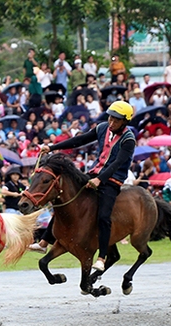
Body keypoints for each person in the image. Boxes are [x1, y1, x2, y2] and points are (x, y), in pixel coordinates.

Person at [37, 101, 137, 272]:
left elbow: (117, 163)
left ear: (125, 122)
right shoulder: (103, 128)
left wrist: (100, 180)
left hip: (112, 180)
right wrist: (52, 147)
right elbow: (79, 140)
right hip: (94, 173)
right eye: (111, 118)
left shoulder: (129, 140)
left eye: (116, 120)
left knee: (104, 216)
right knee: (66, 198)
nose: (111, 123)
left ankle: (102, 257)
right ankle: (44, 242)